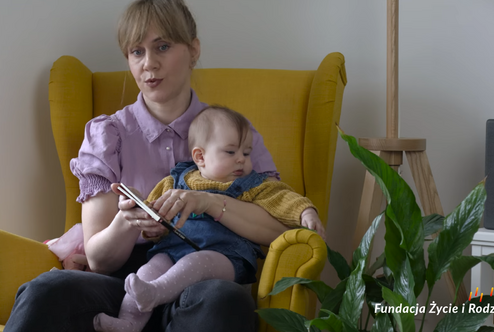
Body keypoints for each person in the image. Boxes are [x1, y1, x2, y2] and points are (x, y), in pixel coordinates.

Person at [3, 0, 320, 331]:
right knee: (45, 291)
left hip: (205, 279)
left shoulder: (234, 136)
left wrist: (209, 202)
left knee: (225, 302)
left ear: (194, 50)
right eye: (137, 51)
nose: (148, 64)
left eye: (163, 46)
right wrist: (128, 222)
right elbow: (98, 258)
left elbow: (280, 230)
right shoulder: (108, 134)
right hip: (124, 285)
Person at [93, 105, 326, 332]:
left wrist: (306, 212)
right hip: (172, 251)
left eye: (246, 153)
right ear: (200, 156)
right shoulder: (174, 181)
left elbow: (285, 199)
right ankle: (129, 323)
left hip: (225, 257)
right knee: (147, 271)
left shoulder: (253, 185)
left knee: (195, 262)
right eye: (231, 152)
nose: (241, 160)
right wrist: (150, 226)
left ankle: (154, 294)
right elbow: (155, 215)